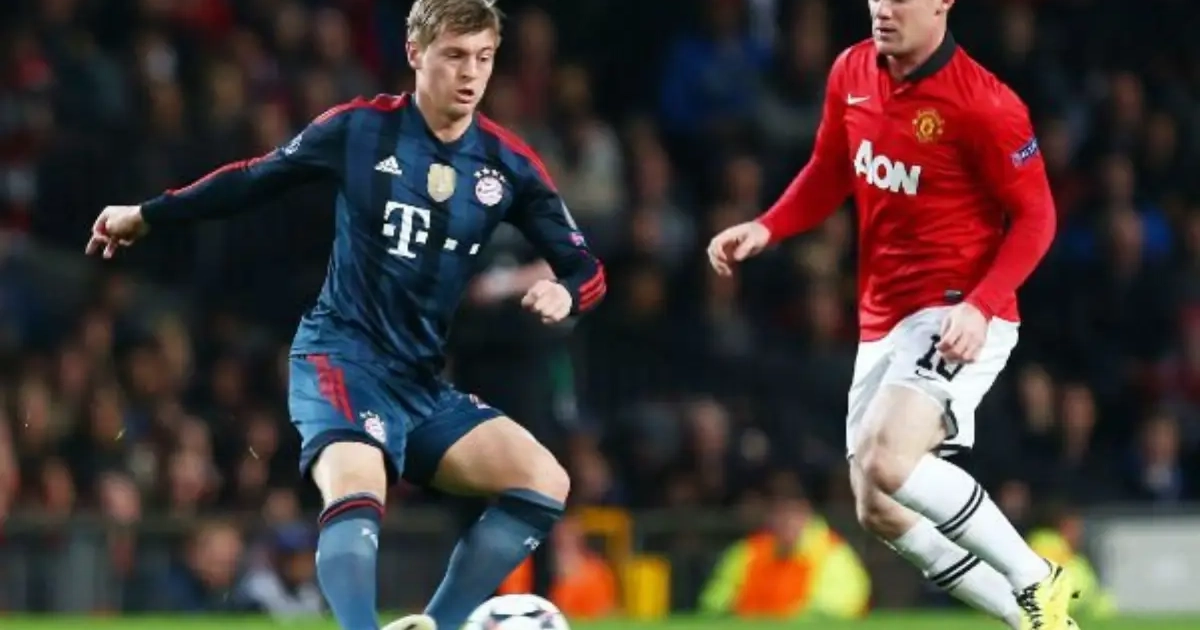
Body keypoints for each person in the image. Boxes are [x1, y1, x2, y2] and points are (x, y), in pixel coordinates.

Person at [85, 1, 607, 629]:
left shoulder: (508, 164)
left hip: (419, 382)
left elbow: (587, 267)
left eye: (484, 58)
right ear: (415, 54)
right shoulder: (360, 128)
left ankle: (438, 625)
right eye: (454, 56)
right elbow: (254, 178)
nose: (471, 73)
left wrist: (567, 294)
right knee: (359, 485)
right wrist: (148, 214)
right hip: (340, 357)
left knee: (544, 481)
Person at [707, 1, 1071, 629]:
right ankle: (1035, 620)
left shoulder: (986, 104)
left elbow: (1038, 217)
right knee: (878, 507)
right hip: (884, 318)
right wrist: (769, 227)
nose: (883, 7)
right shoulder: (851, 71)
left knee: (890, 459)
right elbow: (830, 168)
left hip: (958, 310)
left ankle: (1036, 576)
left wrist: (981, 306)